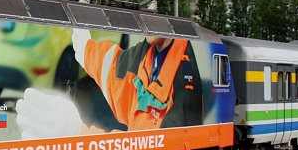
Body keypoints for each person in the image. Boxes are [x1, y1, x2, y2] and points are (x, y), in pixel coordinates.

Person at [16, 29, 203, 137]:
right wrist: (86, 50)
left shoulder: (185, 77)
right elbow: (116, 69)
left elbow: (152, 143)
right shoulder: (147, 52)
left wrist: (78, 132)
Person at [71, 29, 203, 130]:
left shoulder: (185, 79)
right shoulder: (144, 54)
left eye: (154, 16)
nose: (146, 23)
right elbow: (113, 66)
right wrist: (85, 48)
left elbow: (176, 141)